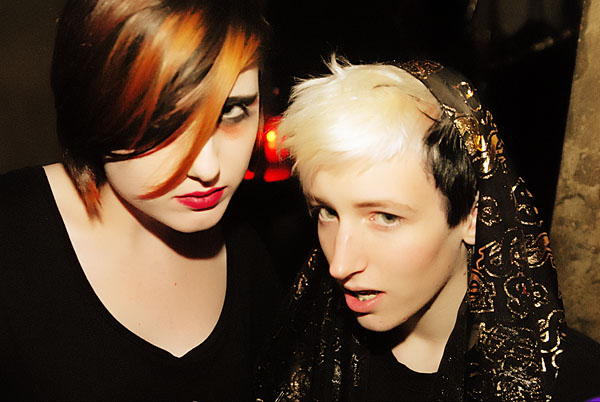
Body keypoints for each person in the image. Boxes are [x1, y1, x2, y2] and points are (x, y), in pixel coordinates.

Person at [255, 58, 600, 401]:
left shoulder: (575, 384)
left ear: (474, 215)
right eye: (327, 212)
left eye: (385, 217)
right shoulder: (304, 352)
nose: (340, 265)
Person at [0, 0, 280, 400]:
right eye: (163, 120)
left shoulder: (253, 257)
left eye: (231, 111)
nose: (208, 167)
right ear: (89, 104)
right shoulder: (11, 237)